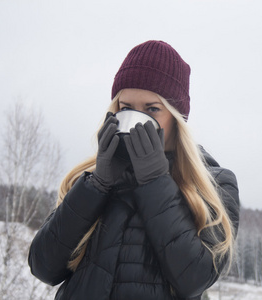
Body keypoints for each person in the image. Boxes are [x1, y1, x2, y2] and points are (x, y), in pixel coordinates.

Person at [28, 40, 240, 300]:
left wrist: (154, 182)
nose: (135, 121)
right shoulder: (90, 178)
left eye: (152, 109)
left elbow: (194, 279)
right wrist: (96, 186)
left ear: (177, 117)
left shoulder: (214, 184)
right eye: (126, 108)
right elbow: (43, 267)